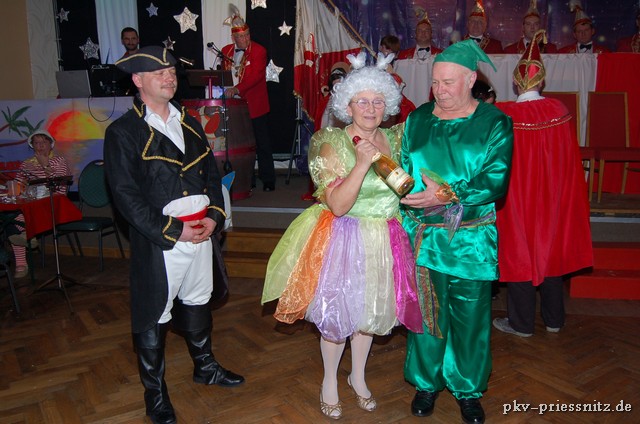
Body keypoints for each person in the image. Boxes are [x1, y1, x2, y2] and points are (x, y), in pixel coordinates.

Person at [262, 51, 423, 420]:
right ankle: (329, 381)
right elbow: (337, 205)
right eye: (362, 101)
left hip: (384, 238)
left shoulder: (396, 139)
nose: (370, 108)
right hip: (344, 238)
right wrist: (362, 163)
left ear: (389, 105)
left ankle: (358, 376)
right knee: (337, 317)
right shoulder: (330, 142)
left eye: (378, 101)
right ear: (347, 105)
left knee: (368, 314)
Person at [104, 46, 244, 424]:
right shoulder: (123, 132)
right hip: (161, 241)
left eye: (171, 71)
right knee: (154, 315)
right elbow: (125, 197)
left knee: (198, 301)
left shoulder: (190, 122)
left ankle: (205, 367)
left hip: (202, 235)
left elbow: (212, 176)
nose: (169, 77)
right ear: (138, 80)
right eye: (159, 73)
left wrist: (214, 217)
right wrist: (172, 230)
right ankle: (155, 393)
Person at [400, 39, 513, 424]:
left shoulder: (494, 123)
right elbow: (404, 172)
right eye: (435, 82)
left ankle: (467, 389)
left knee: (470, 316)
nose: (439, 90)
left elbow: (494, 180)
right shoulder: (418, 120)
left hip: (470, 239)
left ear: (470, 80)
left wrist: (446, 194)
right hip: (425, 237)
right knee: (427, 315)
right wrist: (404, 197)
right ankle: (426, 383)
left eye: (448, 82)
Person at [493, 30, 593, 338]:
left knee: (519, 251)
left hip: (516, 198)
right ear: (542, 81)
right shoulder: (558, 111)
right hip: (552, 195)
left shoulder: (504, 113)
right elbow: (568, 160)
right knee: (551, 250)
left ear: (516, 82)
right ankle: (554, 320)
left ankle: (521, 323)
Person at [221, 9, 276, 192]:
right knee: (241, 145)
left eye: (247, 35)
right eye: (241, 37)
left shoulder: (259, 51)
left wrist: (237, 89)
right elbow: (223, 75)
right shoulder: (225, 52)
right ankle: (247, 180)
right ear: (233, 38)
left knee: (262, 143)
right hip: (234, 107)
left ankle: (268, 179)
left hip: (255, 104)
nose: (245, 39)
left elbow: (256, 77)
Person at [8, 130, 71, 278]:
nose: (40, 146)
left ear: (51, 144)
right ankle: (21, 263)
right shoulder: (27, 164)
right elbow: (18, 184)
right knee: (11, 218)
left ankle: (27, 234)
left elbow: (58, 186)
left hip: (54, 203)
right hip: (32, 203)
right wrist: (18, 186)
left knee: (19, 219)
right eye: (36, 143)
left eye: (43, 142)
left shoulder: (59, 161)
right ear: (32, 146)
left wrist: (45, 165)